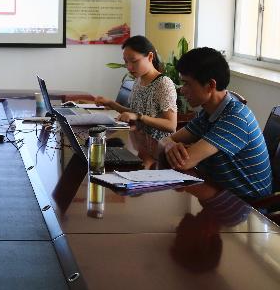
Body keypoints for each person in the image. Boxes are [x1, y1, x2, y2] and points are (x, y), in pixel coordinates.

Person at [161, 47, 271, 199]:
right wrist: (170, 145)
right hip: (219, 194)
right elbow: (166, 139)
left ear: (210, 85)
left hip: (247, 207)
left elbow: (184, 162)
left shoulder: (236, 118)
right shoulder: (208, 113)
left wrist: (177, 148)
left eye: (187, 84)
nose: (182, 90)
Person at [95, 35, 177, 141]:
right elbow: (134, 112)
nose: (129, 67)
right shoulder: (138, 80)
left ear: (150, 57)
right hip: (139, 142)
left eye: (134, 61)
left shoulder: (163, 83)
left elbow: (171, 125)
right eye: (126, 62)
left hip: (157, 145)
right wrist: (111, 103)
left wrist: (139, 117)